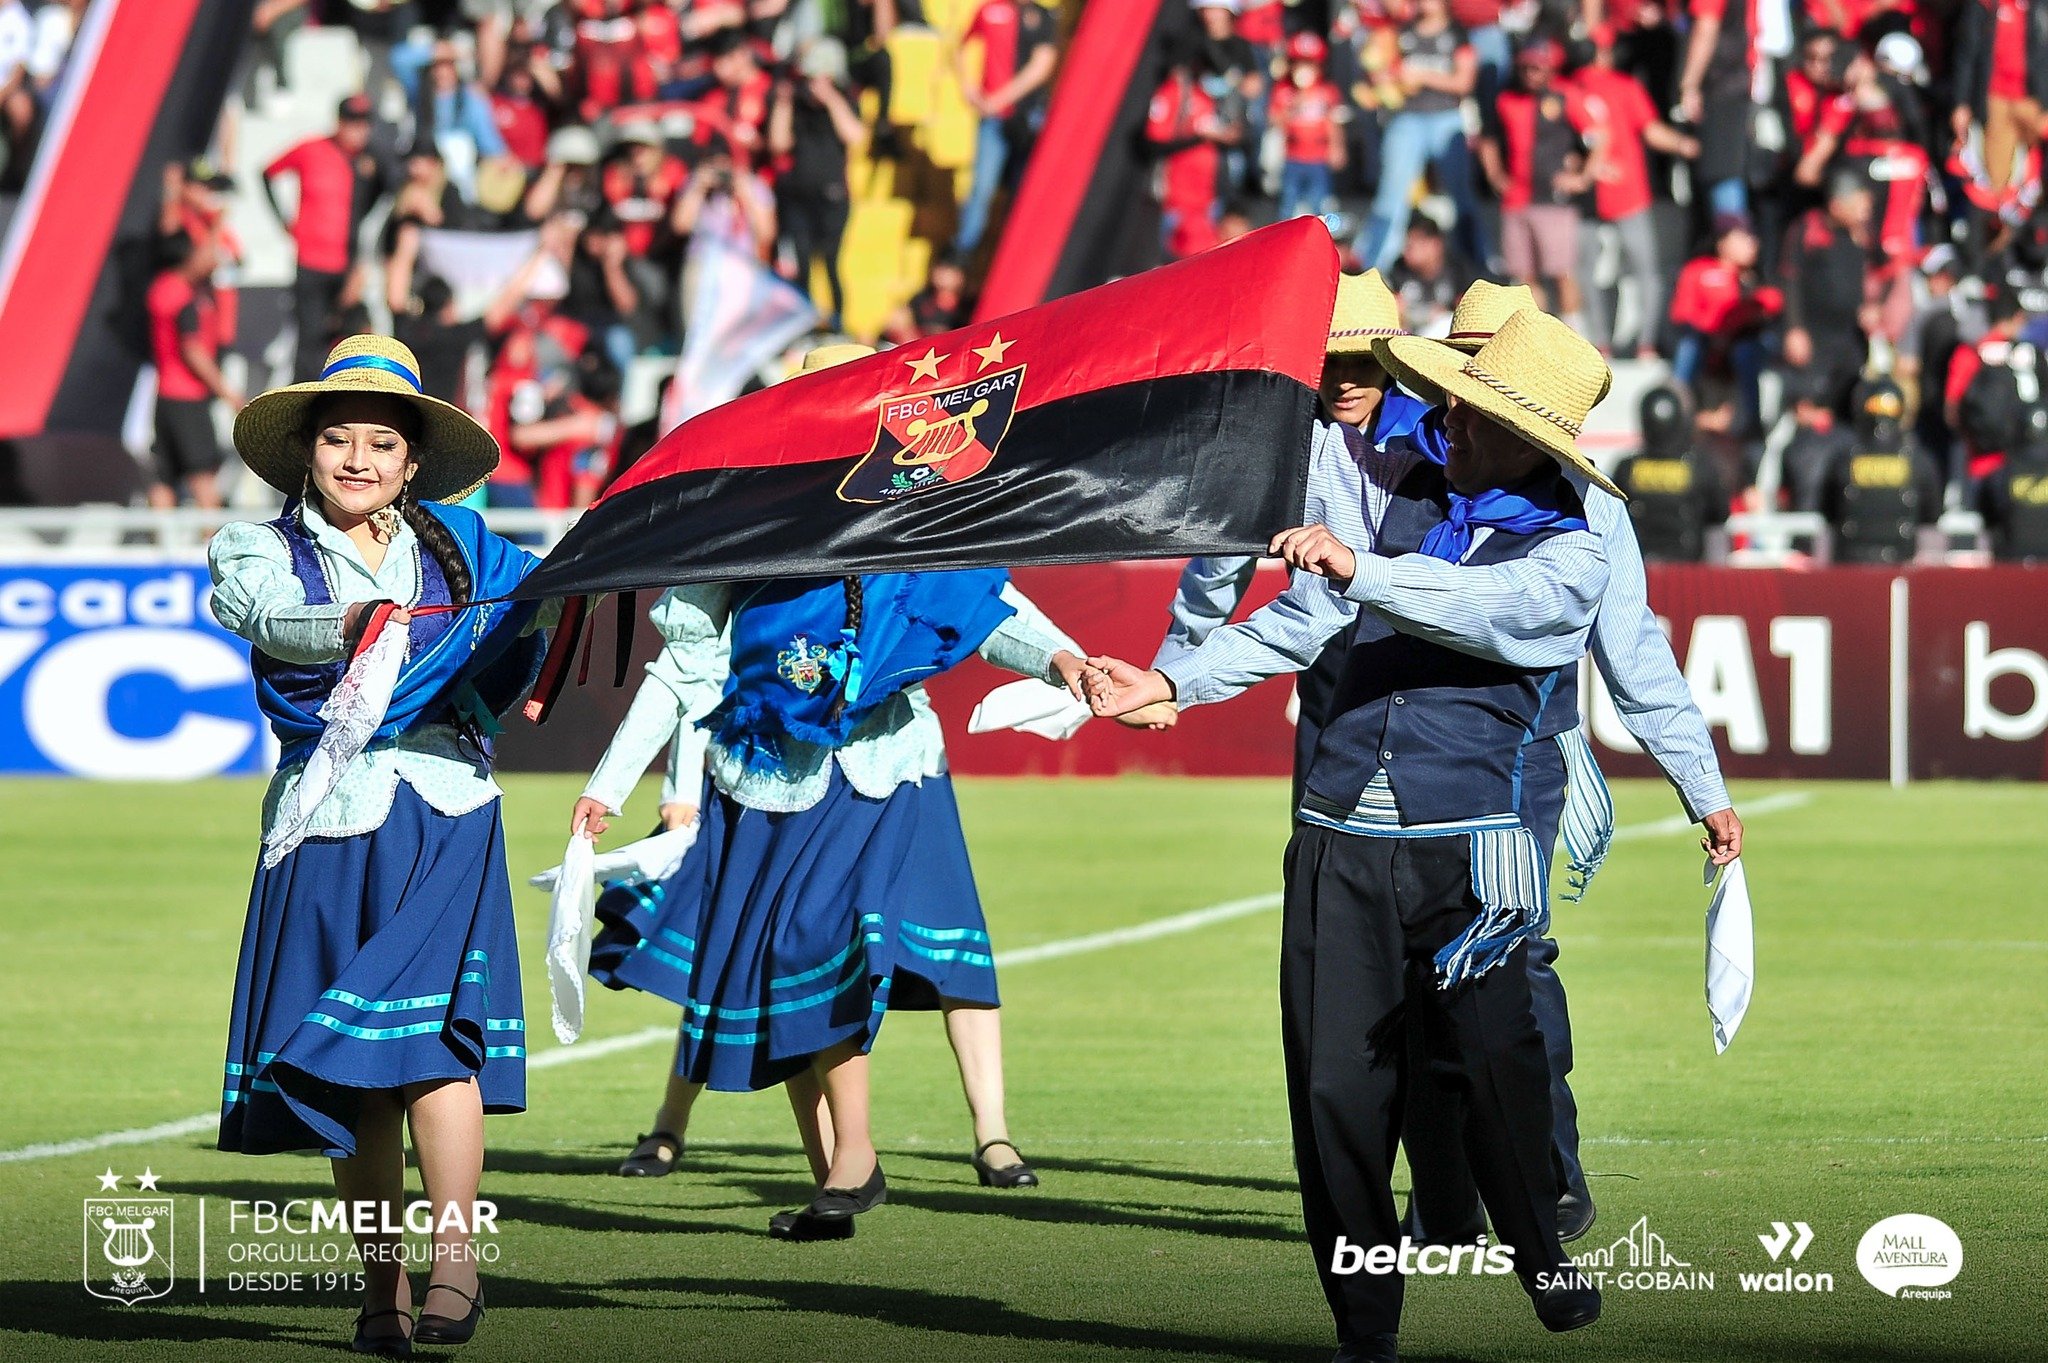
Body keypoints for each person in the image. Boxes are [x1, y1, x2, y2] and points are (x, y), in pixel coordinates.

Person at [1086, 310, 1622, 1360]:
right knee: (1333, 1091)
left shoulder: (1566, 552)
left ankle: (1539, 1253)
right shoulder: (1411, 506)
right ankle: (1364, 1324)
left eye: (1468, 411)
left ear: (1529, 439)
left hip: (1472, 851)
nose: (1444, 419)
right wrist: (1169, 680)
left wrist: (1356, 570)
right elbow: (1307, 619)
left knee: (1495, 1064)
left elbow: (1476, 609)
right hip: (1336, 838)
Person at [577, 344, 1087, 1238]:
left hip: (879, 766)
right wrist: (612, 781)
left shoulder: (922, 505)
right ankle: (839, 1176)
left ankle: (886, 1152)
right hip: (764, 773)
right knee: (785, 964)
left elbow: (984, 604)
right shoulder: (744, 508)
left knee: (824, 936)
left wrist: (1064, 659)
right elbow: (687, 660)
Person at [210, 335, 555, 1356]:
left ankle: (456, 1260)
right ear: (306, 453)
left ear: (412, 463)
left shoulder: (467, 546)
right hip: (326, 818)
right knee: (351, 1064)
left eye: (379, 443)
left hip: (446, 811)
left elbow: (541, 597)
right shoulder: (254, 545)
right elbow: (264, 616)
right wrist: (363, 619)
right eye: (337, 439)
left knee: (435, 1040)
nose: (357, 459)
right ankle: (381, 1284)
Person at [1570, 24, 1698, 358]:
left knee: (1597, 276)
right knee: (1641, 273)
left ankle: (1608, 343)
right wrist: (1684, 144)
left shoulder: (1570, 90)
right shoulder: (1607, 88)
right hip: (1616, 197)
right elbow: (1653, 132)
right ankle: (1643, 343)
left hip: (1610, 199)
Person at [1354, 0, 1487, 273]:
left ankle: (1476, 266)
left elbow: (1464, 82)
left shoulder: (1456, 34)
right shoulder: (1402, 32)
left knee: (1461, 198)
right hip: (1406, 118)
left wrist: (1422, 77)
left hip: (1446, 119)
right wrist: (1382, 80)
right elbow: (1380, 67)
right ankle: (1374, 270)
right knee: (1391, 198)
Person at [264, 96, 388, 382]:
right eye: (352, 123)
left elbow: (383, 195)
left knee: (350, 336)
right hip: (312, 262)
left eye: (364, 124)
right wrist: (284, 221)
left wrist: (359, 265)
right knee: (310, 339)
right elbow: (267, 172)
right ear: (340, 123)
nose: (358, 131)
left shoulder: (369, 161)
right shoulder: (312, 149)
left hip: (346, 264)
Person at [1481, 39, 1597, 322]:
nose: (1532, 74)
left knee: (1562, 272)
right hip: (1517, 199)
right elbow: (1489, 140)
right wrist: (1496, 175)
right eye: (1527, 68)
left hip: (1553, 200)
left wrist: (1583, 177)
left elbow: (1598, 136)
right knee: (1523, 279)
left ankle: (1575, 338)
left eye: (1538, 68)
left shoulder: (1565, 96)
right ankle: (1533, 336)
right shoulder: (1506, 99)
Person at [769, 40, 867, 328]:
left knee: (832, 262)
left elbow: (856, 137)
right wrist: (784, 103)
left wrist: (832, 100)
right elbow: (778, 143)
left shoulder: (846, 102)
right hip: (799, 196)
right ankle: (804, 322)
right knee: (802, 262)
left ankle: (838, 321)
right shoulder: (797, 107)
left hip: (833, 196)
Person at [952, 0, 1058, 256]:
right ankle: (961, 257)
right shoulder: (990, 9)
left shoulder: (1043, 16)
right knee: (981, 189)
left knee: (1022, 191)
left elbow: (1041, 67)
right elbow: (960, 46)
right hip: (993, 119)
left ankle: (1013, 257)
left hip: (1026, 119)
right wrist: (968, 88)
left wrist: (999, 99)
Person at [146, 232, 239, 511]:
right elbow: (193, 351)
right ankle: (208, 542)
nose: (214, 259)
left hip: (165, 396)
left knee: (164, 475)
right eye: (207, 252)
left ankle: (160, 544)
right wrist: (229, 394)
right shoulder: (184, 296)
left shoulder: (161, 288)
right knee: (203, 474)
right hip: (188, 398)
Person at [1819, 376, 1943, 564]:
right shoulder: (1918, 459)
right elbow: (1933, 513)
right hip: (1901, 565)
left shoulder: (1844, 458)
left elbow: (1826, 508)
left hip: (1851, 566)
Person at [1612, 383, 1727, 561]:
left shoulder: (1626, 468)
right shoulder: (1700, 466)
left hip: (1640, 574)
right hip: (1689, 576)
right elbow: (1720, 515)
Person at [1951, 0, 2048, 196]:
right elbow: (1967, 53)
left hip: (2036, 100)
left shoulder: (2039, 6)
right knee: (1998, 177)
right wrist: (1961, 102)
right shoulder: (1984, 5)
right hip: (1996, 100)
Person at [1270, 31, 1348, 222]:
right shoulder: (1283, 91)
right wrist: (1295, 104)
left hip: (1318, 158)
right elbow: (1274, 121)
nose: (1304, 70)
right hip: (1293, 156)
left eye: (1310, 64)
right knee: (1288, 203)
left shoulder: (1327, 91)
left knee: (1319, 202)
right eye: (1299, 64)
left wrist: (1337, 147)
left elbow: (1334, 122)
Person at [1978, 407, 2048, 560]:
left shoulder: (2004, 470)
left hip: (2012, 563)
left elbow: (1987, 513)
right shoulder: (2005, 469)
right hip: (2015, 561)